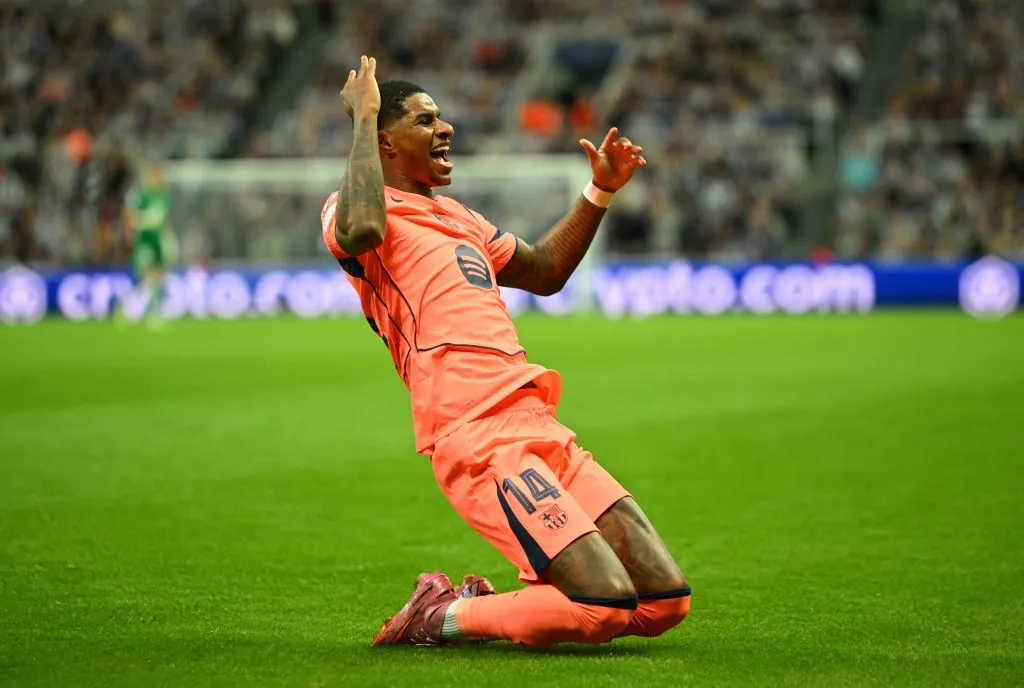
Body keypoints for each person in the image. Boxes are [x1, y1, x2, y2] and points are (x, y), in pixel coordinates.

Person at [320, 56, 690, 648]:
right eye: (425, 119)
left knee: (664, 603)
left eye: (442, 117)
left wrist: (598, 192)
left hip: (535, 420)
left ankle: (503, 603)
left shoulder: (460, 217)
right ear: (386, 143)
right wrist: (363, 116)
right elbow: (361, 228)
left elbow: (544, 270)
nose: (445, 129)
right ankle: (440, 618)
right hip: (475, 431)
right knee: (603, 609)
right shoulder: (353, 209)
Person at [119, 163, 171, 330]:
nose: (159, 179)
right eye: (156, 175)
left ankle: (153, 314)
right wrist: (132, 230)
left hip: (157, 239)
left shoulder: (163, 196)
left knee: (159, 276)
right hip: (144, 238)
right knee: (144, 276)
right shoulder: (142, 194)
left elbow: (163, 220)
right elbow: (129, 213)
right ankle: (126, 308)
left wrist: (167, 239)